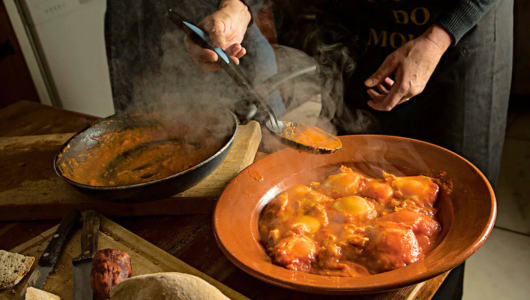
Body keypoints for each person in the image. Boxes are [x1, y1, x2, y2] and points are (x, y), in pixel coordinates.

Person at [184, 0, 513, 299]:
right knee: (355, 148)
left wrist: (437, 38)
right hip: (361, 23)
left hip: (460, 31)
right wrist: (237, 7)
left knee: (454, 221)